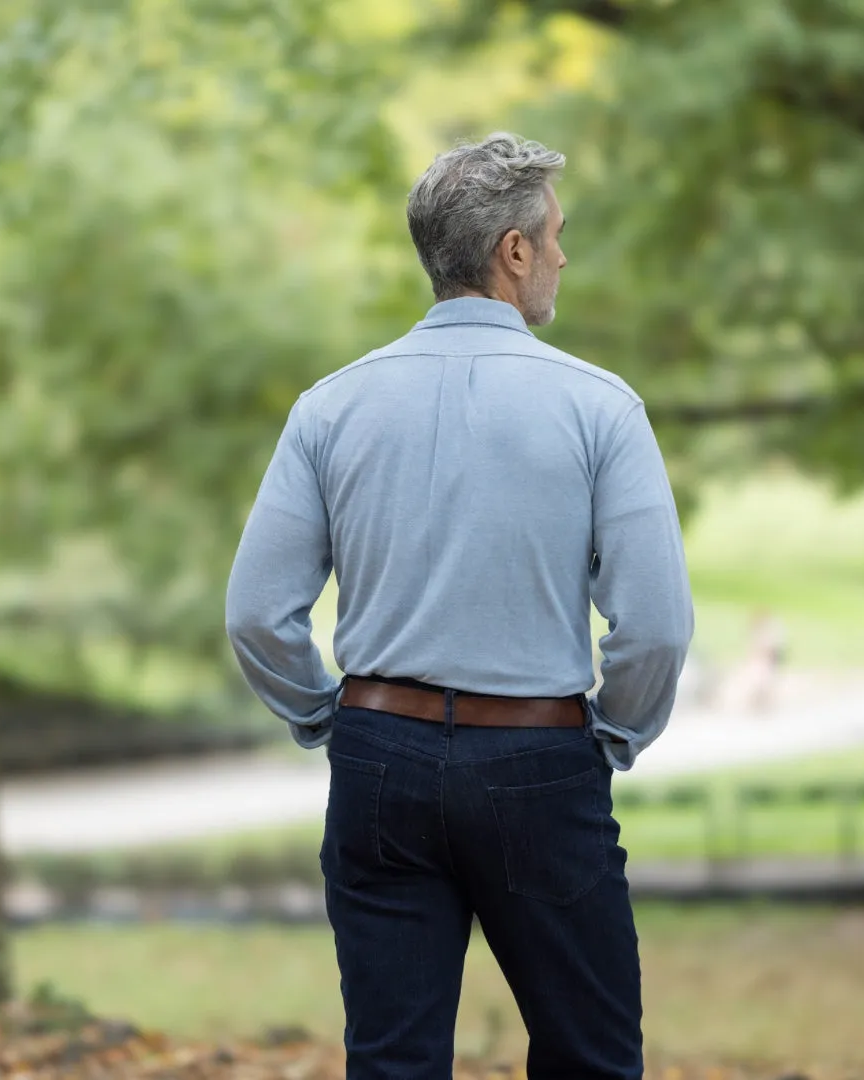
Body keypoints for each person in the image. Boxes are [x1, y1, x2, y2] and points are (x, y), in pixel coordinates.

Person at [225, 133, 694, 1080]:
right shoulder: (601, 409)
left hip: (378, 762)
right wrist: (611, 739)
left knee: (392, 1063)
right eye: (556, 235)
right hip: (539, 758)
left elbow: (255, 614)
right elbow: (654, 627)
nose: (563, 254)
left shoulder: (329, 408)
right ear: (512, 252)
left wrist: (332, 717)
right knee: (592, 1058)